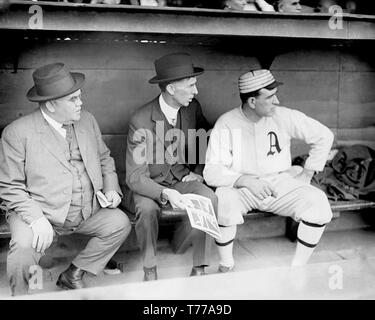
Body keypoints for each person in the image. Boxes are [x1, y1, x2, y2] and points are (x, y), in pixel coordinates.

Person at [0, 62, 131, 296]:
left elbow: (104, 159)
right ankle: (19, 294)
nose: (81, 103)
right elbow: (10, 186)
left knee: (119, 224)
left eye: (80, 97)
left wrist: (111, 189)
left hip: (86, 211)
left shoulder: (87, 120)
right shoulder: (17, 133)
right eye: (73, 99)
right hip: (42, 213)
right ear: (51, 104)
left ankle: (73, 274)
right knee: (23, 248)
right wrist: (36, 219)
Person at [203, 69, 334, 272]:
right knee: (223, 201)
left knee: (318, 203)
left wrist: (308, 173)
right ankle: (226, 264)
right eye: (270, 97)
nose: (277, 101)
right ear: (252, 102)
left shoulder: (283, 116)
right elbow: (211, 171)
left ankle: (297, 269)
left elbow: (324, 135)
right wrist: (244, 180)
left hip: (278, 184)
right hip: (241, 188)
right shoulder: (227, 122)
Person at [124, 52, 217, 281]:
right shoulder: (141, 119)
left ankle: (199, 268)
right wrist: (166, 193)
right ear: (172, 89)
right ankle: (150, 269)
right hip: (150, 186)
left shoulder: (192, 108)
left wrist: (197, 171)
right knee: (147, 211)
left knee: (209, 199)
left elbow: (205, 138)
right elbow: (135, 177)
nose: (196, 91)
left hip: (181, 178)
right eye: (192, 85)